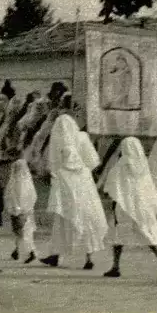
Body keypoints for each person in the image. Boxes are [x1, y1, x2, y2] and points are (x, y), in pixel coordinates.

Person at [98, 137, 157, 280]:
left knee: (118, 234)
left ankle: (116, 267)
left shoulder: (122, 164)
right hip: (142, 205)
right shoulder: (142, 164)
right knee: (147, 234)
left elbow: (112, 186)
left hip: (125, 206)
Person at [41, 114, 107, 270]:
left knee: (64, 219)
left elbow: (52, 166)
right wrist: (82, 170)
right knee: (86, 218)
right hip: (84, 182)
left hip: (66, 182)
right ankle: (88, 257)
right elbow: (92, 161)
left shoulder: (58, 142)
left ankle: (56, 255)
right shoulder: (82, 137)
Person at [5, 157, 39, 263]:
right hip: (28, 211)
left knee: (20, 233)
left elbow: (10, 196)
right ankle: (17, 251)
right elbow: (33, 196)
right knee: (26, 232)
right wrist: (29, 207)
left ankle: (30, 252)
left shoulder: (14, 182)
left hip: (18, 211)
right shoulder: (28, 181)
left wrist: (14, 208)